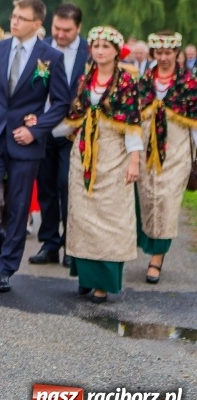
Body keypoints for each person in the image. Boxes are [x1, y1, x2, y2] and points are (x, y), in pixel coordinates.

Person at [0, 0, 70, 293]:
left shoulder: (51, 58)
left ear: (37, 24)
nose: (14, 21)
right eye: (13, 16)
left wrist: (36, 132)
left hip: (25, 142)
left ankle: (7, 268)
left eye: (21, 18)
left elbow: (61, 103)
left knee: (18, 208)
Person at [60, 26, 141, 303]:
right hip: (83, 153)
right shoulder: (85, 79)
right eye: (95, 46)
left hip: (113, 154)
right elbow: (75, 116)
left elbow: (132, 124)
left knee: (110, 218)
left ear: (117, 52)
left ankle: (104, 283)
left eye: (106, 46)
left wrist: (133, 161)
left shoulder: (126, 83)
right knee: (82, 216)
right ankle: (85, 277)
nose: (100, 51)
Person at [28, 3, 90, 267]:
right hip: (43, 130)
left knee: (68, 186)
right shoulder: (42, 48)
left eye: (67, 30)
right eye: (57, 28)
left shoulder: (90, 53)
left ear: (78, 28)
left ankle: (71, 244)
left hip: (73, 133)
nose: (61, 35)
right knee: (46, 189)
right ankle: (50, 242)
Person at [136, 31, 197, 284]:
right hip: (145, 149)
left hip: (177, 150)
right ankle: (148, 247)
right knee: (148, 198)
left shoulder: (189, 83)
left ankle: (156, 260)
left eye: (168, 53)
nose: (163, 57)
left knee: (167, 202)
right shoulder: (144, 82)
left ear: (176, 53)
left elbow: (194, 123)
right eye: (159, 53)